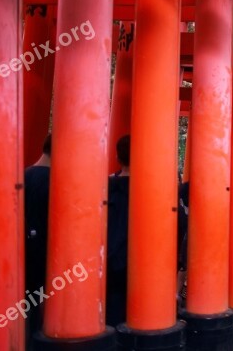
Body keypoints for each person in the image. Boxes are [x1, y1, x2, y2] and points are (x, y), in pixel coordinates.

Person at [24, 134, 51, 340]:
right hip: (45, 251)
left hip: (22, 249)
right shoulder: (55, 180)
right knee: (41, 300)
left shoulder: (23, 175)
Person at [106, 135, 130, 327]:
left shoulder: (105, 186)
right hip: (143, 264)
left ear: (117, 157)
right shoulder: (154, 188)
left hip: (109, 259)